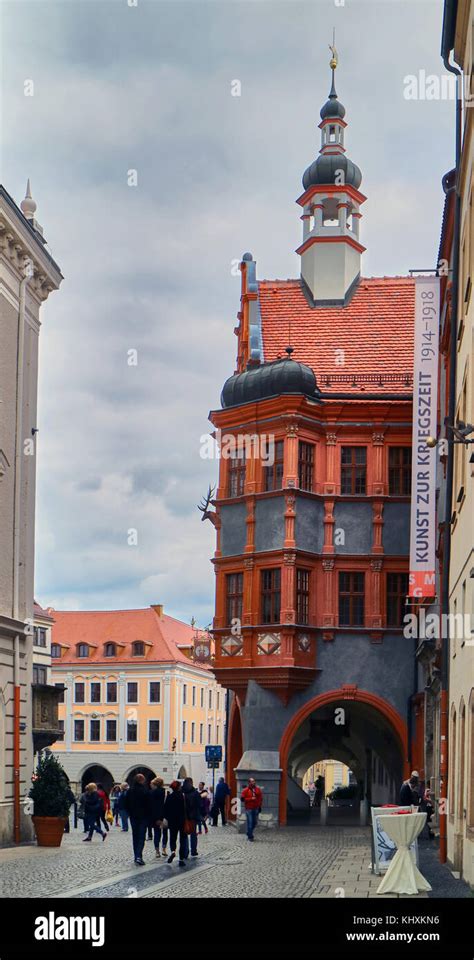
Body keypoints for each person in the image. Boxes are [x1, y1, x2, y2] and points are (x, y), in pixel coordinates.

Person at [124, 773, 151, 866]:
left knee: (135, 836)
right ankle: (139, 856)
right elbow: (148, 805)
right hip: (143, 817)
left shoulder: (130, 791)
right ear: (141, 781)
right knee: (141, 837)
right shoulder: (145, 791)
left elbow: (126, 803)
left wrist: (130, 813)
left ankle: (136, 856)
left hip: (133, 817)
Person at [163, 780, 186, 867]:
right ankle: (181, 859)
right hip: (182, 821)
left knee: (173, 838)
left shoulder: (169, 797)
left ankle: (173, 851)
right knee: (182, 839)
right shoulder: (182, 796)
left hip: (172, 821)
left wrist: (167, 818)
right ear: (179, 787)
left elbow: (165, 810)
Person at [182, 777, 200, 858]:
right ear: (191, 783)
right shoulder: (195, 793)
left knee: (184, 835)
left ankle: (185, 852)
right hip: (193, 817)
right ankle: (193, 851)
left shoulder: (181, 792)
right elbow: (199, 805)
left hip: (184, 816)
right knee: (193, 834)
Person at [149, 777, 167, 858]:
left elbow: (152, 807)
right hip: (165, 816)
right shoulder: (166, 792)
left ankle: (157, 851)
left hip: (155, 817)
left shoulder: (151, 793)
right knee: (165, 833)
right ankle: (164, 849)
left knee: (157, 834)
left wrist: (156, 818)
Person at [241, 777, 263, 841]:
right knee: (250, 822)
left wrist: (259, 806)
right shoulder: (245, 790)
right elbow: (242, 799)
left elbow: (260, 798)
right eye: (252, 781)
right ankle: (250, 837)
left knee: (255, 822)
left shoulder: (258, 789)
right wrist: (250, 799)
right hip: (249, 809)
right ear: (249, 782)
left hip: (256, 808)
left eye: (254, 781)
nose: (254, 782)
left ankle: (248, 832)